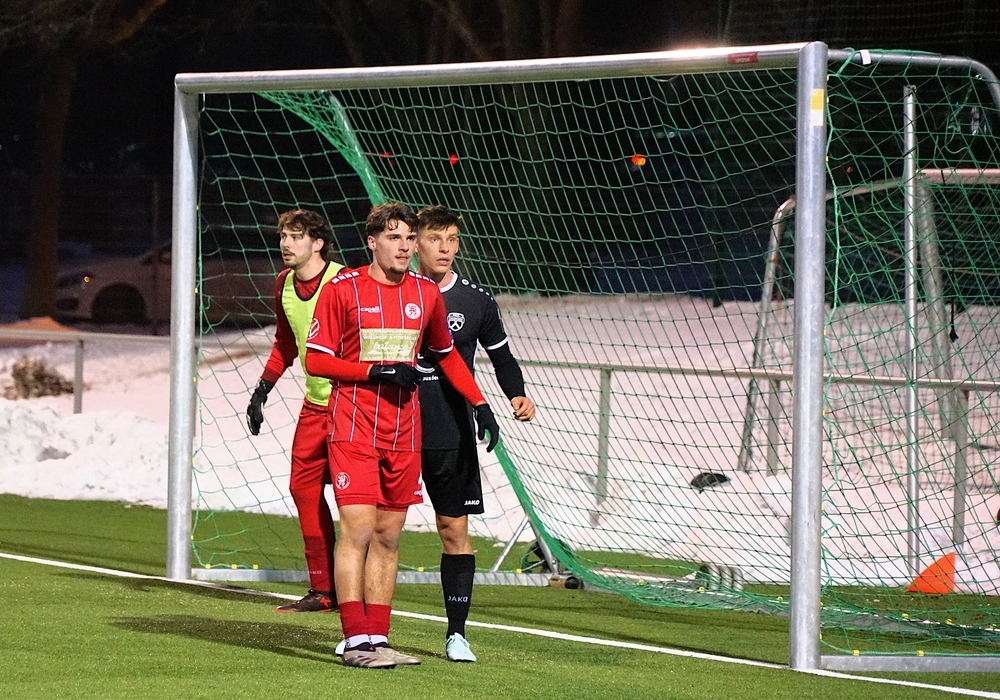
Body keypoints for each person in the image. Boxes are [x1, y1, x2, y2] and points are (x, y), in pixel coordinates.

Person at [304, 202, 500, 669]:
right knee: (358, 530)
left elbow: (447, 353)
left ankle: (378, 635)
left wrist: (480, 402)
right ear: (372, 242)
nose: (404, 246)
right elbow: (317, 360)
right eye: (394, 238)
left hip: (404, 431)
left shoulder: (424, 293)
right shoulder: (342, 289)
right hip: (353, 428)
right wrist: (374, 371)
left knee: (390, 537)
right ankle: (354, 641)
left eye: (410, 238)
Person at [415, 205, 536, 663]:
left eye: (452, 240)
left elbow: (502, 356)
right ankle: (365, 631)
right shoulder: (393, 292)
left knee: (453, 530)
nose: (444, 248)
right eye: (435, 239)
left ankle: (457, 634)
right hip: (395, 425)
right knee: (378, 528)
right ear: (416, 242)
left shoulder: (476, 300)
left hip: (451, 428)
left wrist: (516, 394)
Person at [246, 209, 344, 613]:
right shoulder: (284, 284)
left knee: (354, 501)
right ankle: (323, 590)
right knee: (303, 488)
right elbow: (286, 343)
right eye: (283, 236)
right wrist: (262, 389)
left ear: (318, 242)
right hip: (314, 406)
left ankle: (357, 587)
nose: (286, 243)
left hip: (352, 407)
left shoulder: (344, 281)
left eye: (296, 236)